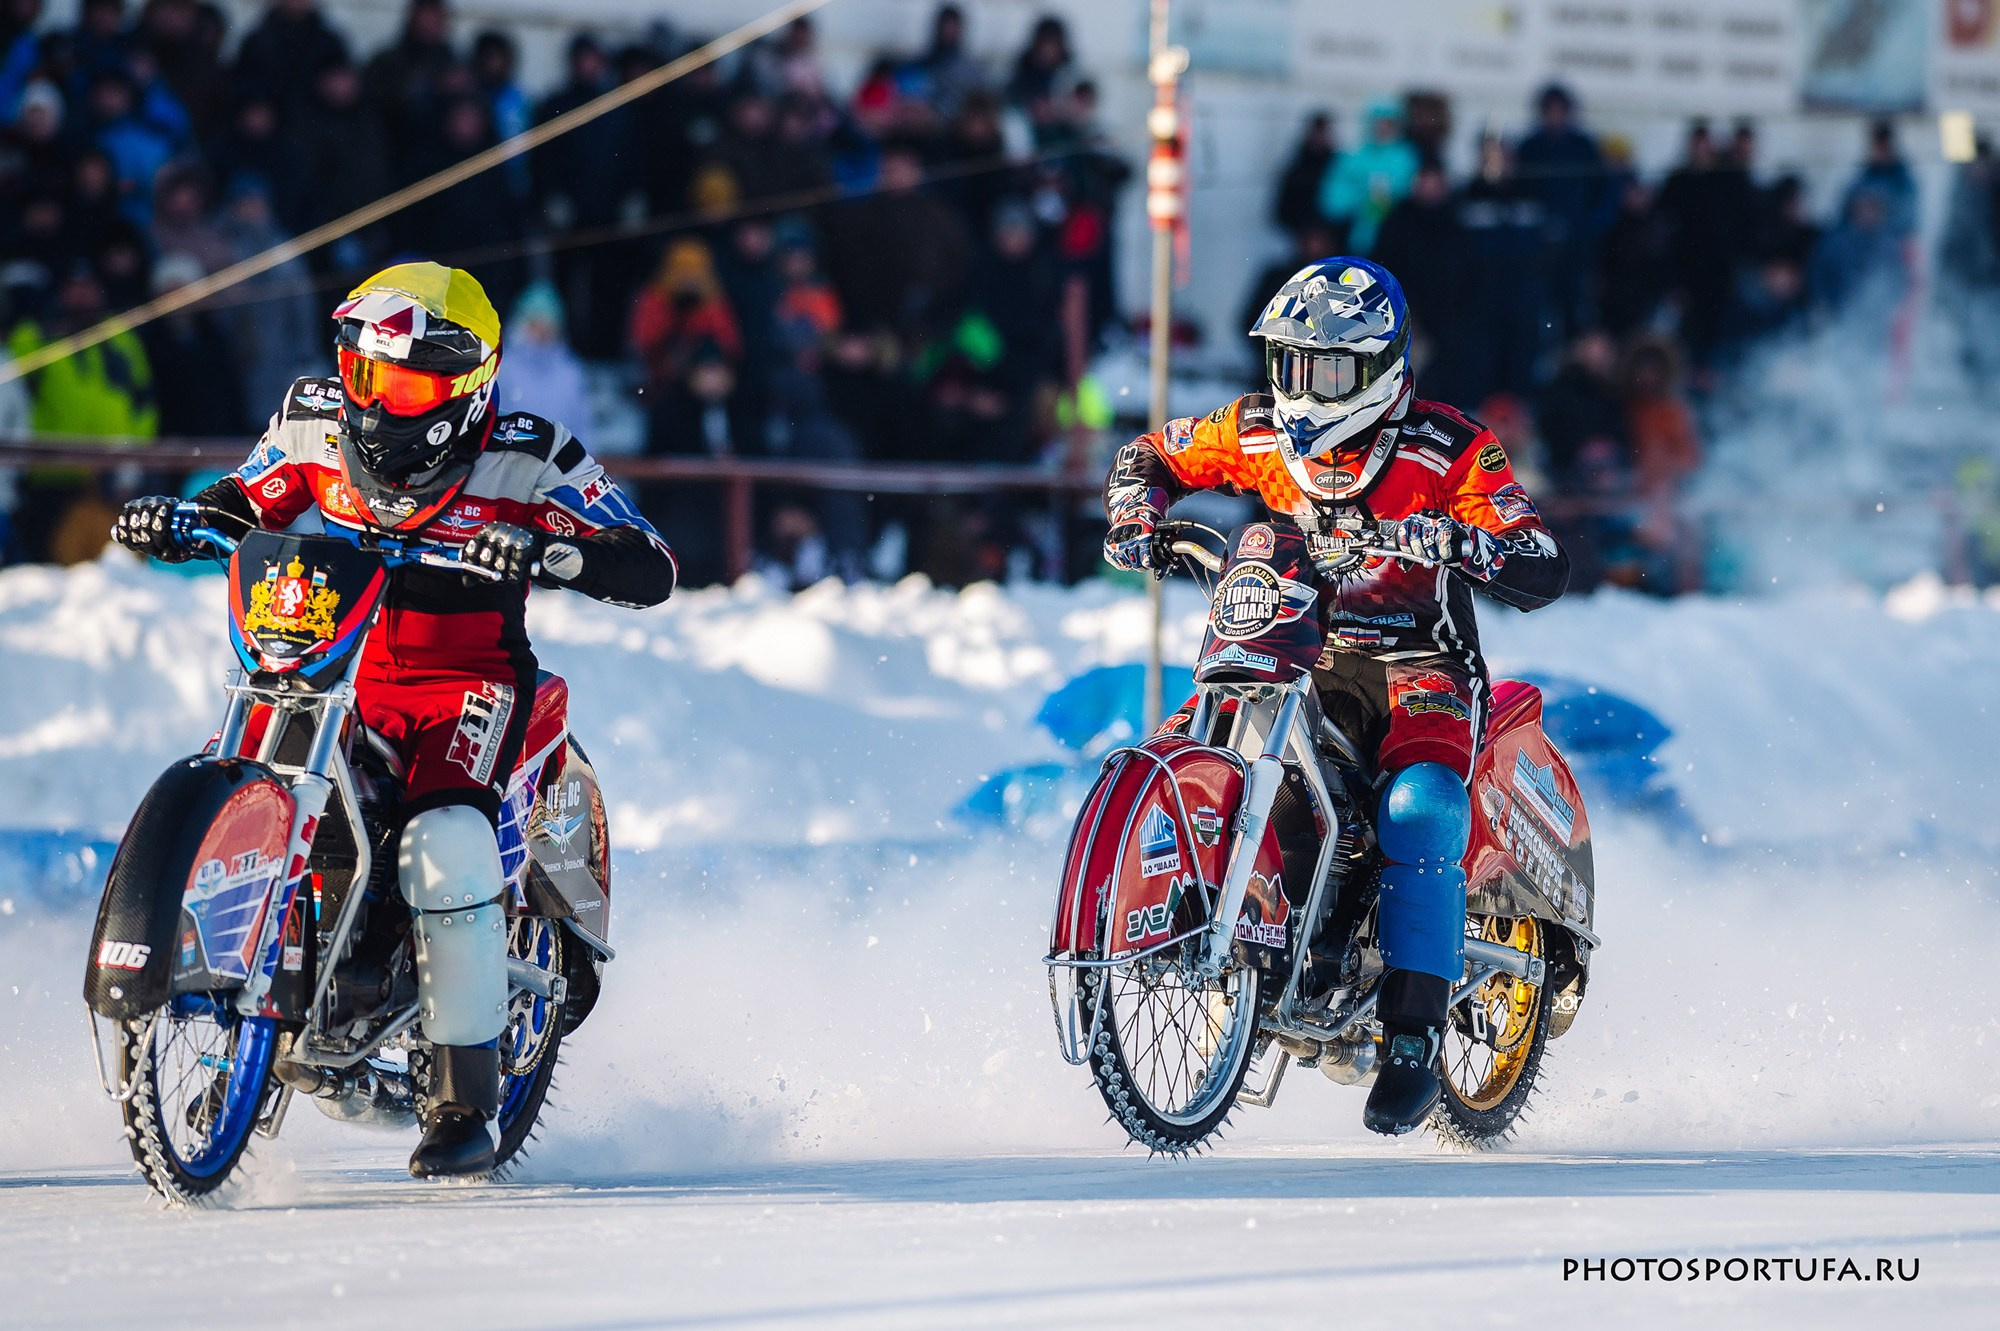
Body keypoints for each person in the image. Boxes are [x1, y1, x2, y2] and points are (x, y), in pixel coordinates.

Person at [110, 263, 677, 1177]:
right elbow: (249, 494)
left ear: (465, 387)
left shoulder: (531, 452)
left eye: (406, 382)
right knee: (289, 791)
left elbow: (647, 561)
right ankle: (258, 1029)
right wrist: (187, 517)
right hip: (333, 665)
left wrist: (550, 548)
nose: (376, 400)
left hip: (467, 682)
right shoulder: (312, 417)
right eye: (367, 374)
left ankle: (463, 1099)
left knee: (445, 844)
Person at [1099, 256, 1569, 1135]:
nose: (1299, 389)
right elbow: (1150, 451)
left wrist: (1458, 538)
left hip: (1417, 667)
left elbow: (1540, 556)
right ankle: (1183, 923)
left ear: (1380, 367)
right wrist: (1135, 512)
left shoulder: (1452, 447)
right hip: (1291, 645)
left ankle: (1413, 1037)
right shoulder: (1254, 431)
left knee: (1422, 808)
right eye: (1287, 364)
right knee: (1196, 744)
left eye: (1325, 370)